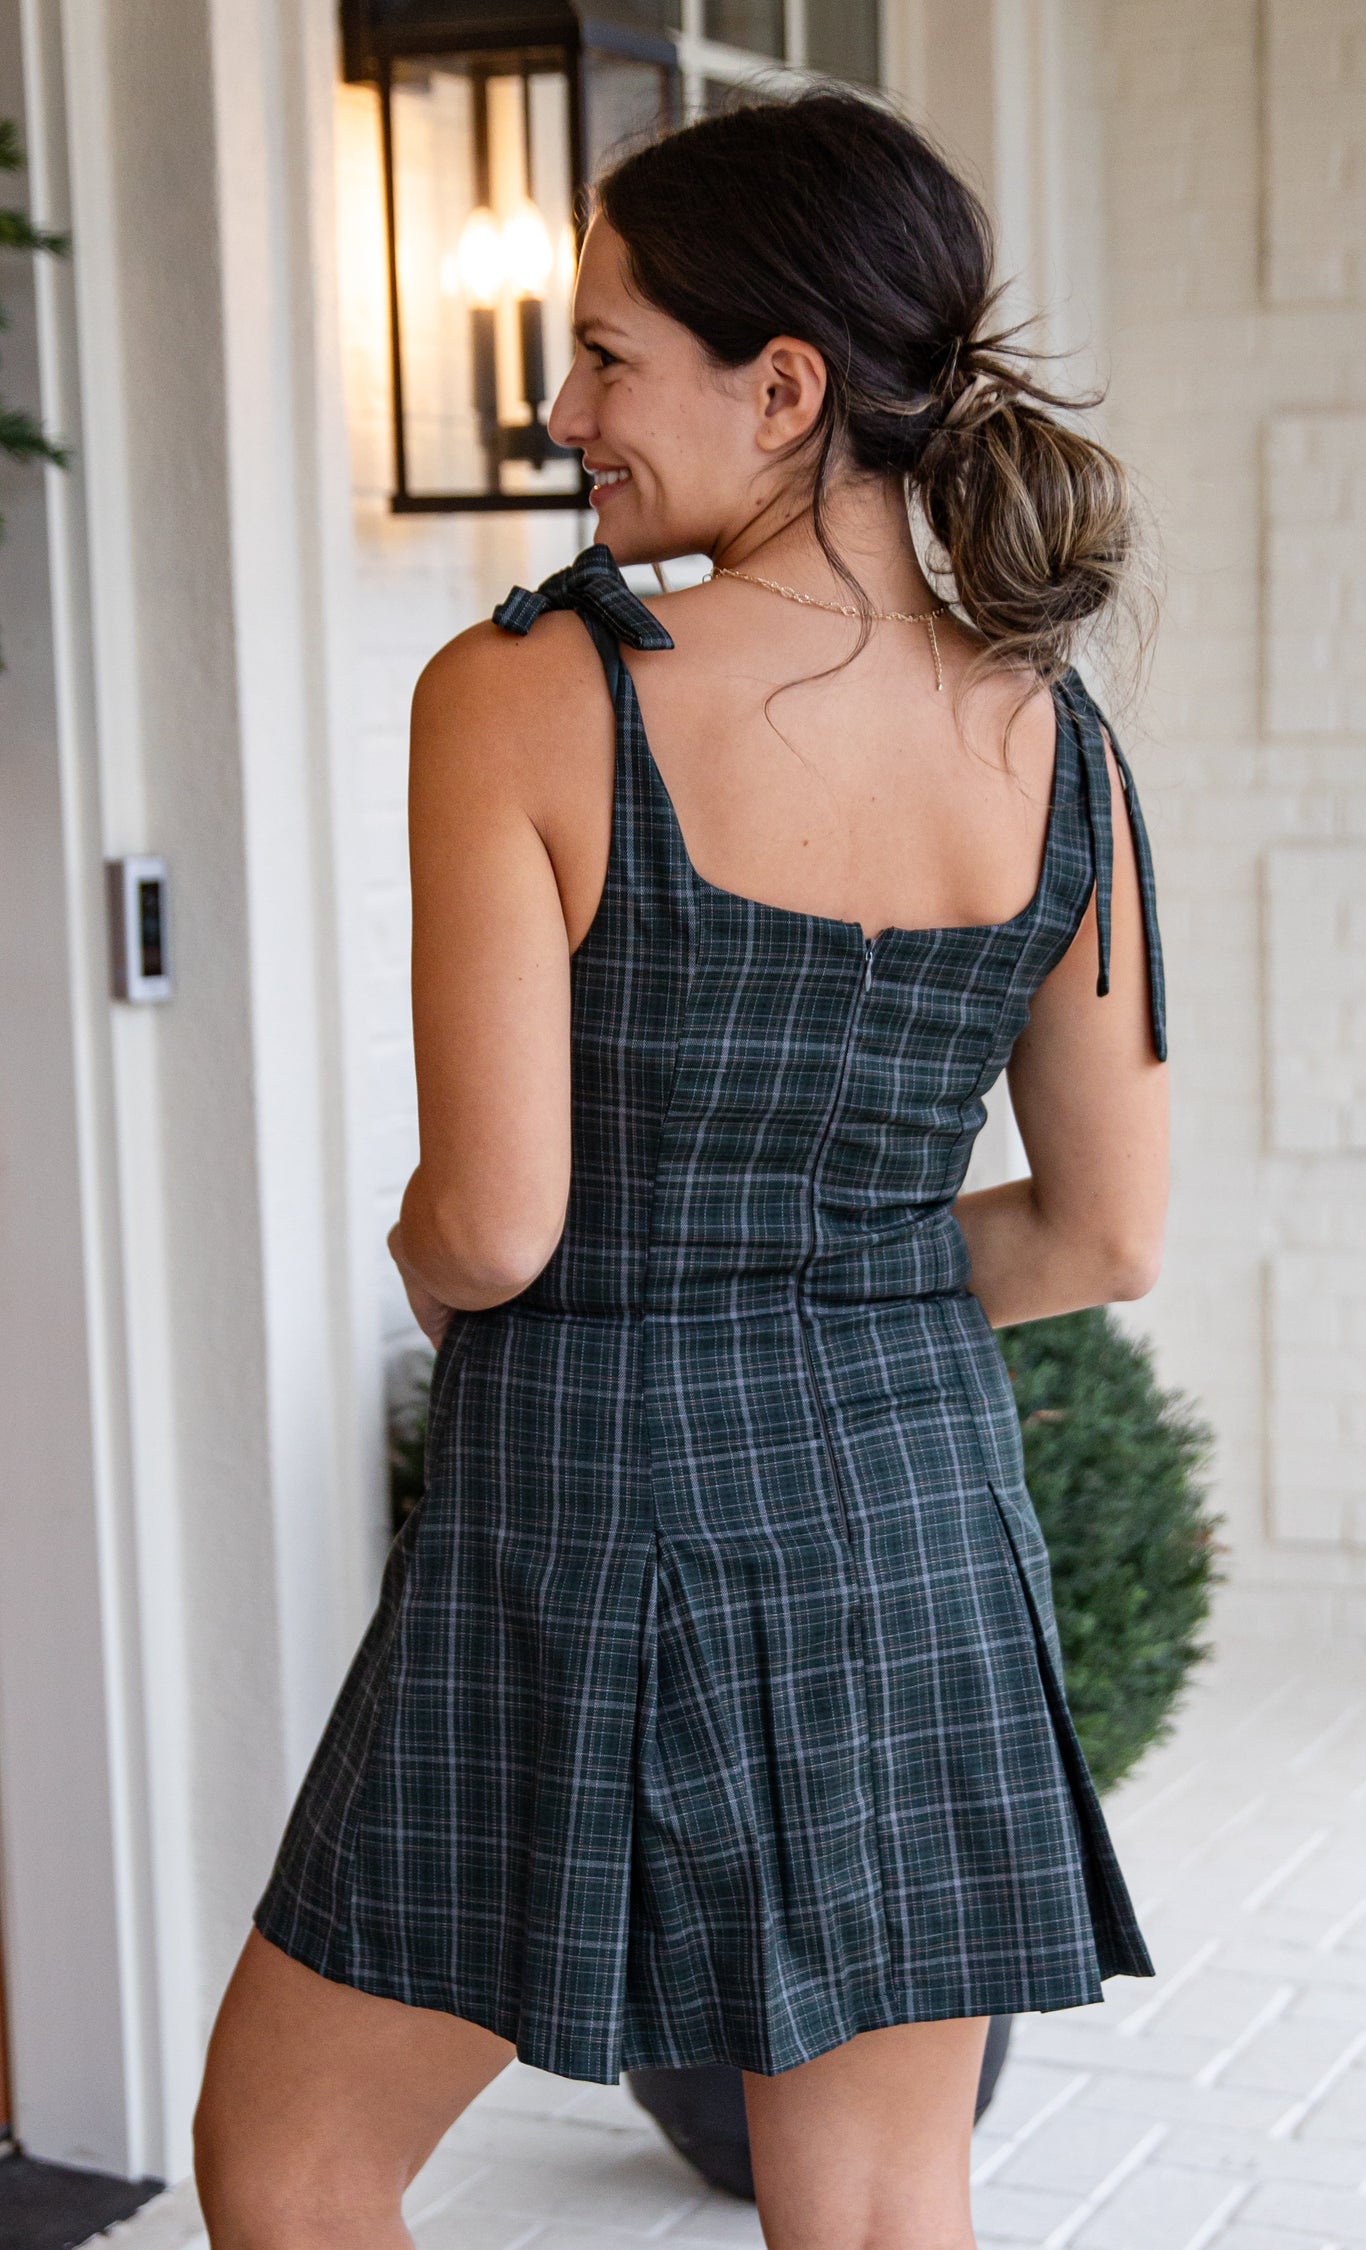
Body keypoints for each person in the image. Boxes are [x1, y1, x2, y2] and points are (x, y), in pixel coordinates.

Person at [193, 86, 1169, 2250]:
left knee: (294, 2152)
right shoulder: (1054, 733)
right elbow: (1103, 1230)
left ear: (788, 386)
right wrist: (836, 1297)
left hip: (592, 1508)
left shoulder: (526, 693)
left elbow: (494, 1226)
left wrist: (427, 1259)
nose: (560, 412)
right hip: (917, 1518)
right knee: (883, 2196)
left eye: (607, 350)